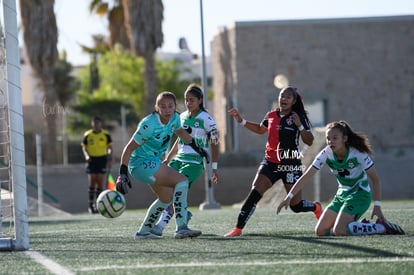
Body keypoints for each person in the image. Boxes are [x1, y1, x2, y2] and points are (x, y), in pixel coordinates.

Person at [277, 120, 405, 236]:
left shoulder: (357, 153)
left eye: (334, 138)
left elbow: (375, 180)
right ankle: (359, 226)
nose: (330, 141)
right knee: (320, 231)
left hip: (360, 195)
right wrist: (289, 197)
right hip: (342, 195)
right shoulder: (325, 154)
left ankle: (381, 228)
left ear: (344, 139)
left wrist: (377, 205)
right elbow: (306, 176)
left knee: (339, 231)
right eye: (328, 138)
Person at [224, 86, 321, 237]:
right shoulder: (271, 115)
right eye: (282, 96)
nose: (284, 99)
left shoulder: (298, 117)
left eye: (288, 97)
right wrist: (241, 120)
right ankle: (238, 228)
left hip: (290, 164)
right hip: (270, 162)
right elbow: (260, 129)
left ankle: (315, 207)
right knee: (255, 191)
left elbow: (309, 141)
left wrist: (300, 126)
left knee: (296, 206)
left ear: (294, 101)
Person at [116, 91, 209, 240]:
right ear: (157, 108)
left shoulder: (175, 118)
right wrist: (122, 174)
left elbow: (181, 133)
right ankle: (182, 227)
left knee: (166, 198)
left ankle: (144, 232)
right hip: (140, 164)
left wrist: (199, 149)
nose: (167, 110)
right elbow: (128, 148)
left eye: (170, 106)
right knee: (182, 180)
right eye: (163, 106)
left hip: (152, 164)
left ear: (174, 107)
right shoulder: (149, 124)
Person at [152, 83, 220, 236]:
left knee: (177, 190)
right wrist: (168, 159)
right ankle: (184, 215)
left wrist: (213, 167)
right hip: (178, 160)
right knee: (166, 191)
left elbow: (215, 143)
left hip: (194, 162)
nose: (188, 103)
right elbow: (179, 140)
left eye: (192, 100)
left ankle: (162, 226)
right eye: (186, 100)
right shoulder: (181, 117)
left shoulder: (207, 119)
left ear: (200, 100)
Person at [81, 116, 112, 214]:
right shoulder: (88, 135)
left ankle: (99, 206)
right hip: (92, 160)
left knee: (100, 183)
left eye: (98, 123)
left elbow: (110, 147)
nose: (96, 125)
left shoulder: (106, 135)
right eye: (94, 123)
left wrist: (109, 154)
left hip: (102, 159)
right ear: (92, 124)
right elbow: (84, 148)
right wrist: (86, 156)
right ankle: (91, 206)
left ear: (100, 124)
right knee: (92, 182)